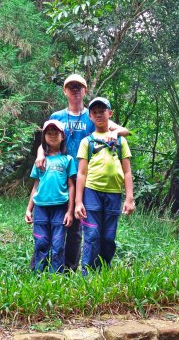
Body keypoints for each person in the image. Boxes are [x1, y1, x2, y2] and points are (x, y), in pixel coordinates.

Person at [35, 74, 128, 272]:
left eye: (79, 86)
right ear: (65, 91)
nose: (75, 89)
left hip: (84, 177)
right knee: (57, 221)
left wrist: (116, 133)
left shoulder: (92, 115)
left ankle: (69, 268)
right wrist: (40, 154)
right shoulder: (56, 117)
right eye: (71, 87)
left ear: (85, 91)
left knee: (76, 226)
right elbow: (45, 140)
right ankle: (46, 266)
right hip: (60, 176)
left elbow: (124, 130)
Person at [74, 97, 135, 275]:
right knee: (92, 236)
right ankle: (87, 276)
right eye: (94, 112)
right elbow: (81, 173)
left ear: (110, 114)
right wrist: (78, 201)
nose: (99, 115)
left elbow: (127, 172)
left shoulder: (121, 141)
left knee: (108, 238)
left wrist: (129, 198)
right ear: (90, 117)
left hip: (114, 195)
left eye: (102, 111)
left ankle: (103, 273)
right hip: (91, 193)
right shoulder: (87, 142)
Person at [25, 120, 77, 273]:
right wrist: (29, 209)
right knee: (41, 242)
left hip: (60, 208)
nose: (53, 136)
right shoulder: (40, 161)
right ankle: (38, 274)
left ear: (62, 137)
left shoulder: (67, 160)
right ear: (44, 137)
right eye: (49, 133)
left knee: (58, 244)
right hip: (40, 208)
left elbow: (71, 186)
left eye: (56, 133)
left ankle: (56, 276)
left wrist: (69, 211)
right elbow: (35, 186)